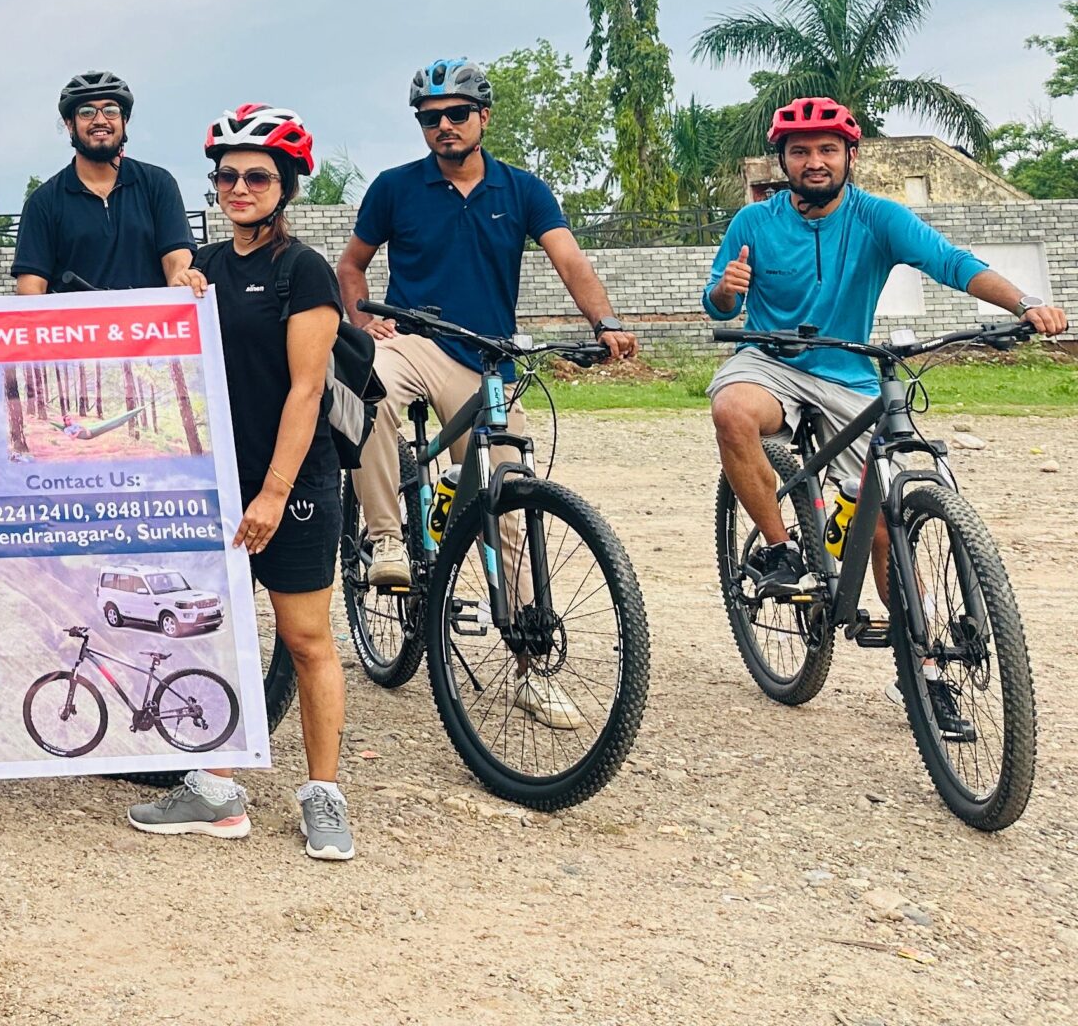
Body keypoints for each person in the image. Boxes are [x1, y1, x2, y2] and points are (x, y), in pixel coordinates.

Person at [708, 97, 1064, 726]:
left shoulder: (878, 218)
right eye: (799, 151)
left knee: (881, 521)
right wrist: (724, 293)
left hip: (848, 369)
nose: (813, 161)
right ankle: (781, 548)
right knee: (733, 409)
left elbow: (952, 263)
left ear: (851, 155)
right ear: (782, 161)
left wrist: (1023, 302)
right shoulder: (753, 224)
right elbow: (716, 304)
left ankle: (922, 672)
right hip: (771, 360)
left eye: (826, 150)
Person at [337, 58, 639, 659]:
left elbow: (570, 261)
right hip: (414, 341)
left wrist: (605, 323)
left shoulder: (522, 189)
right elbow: (351, 265)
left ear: (484, 117)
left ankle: (531, 655)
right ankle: (386, 538)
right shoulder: (395, 188)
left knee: (504, 502)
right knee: (365, 381)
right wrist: (365, 320)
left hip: (489, 359)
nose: (444, 126)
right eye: (430, 119)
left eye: (456, 114)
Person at [129, 106, 353, 862]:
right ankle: (216, 789)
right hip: (214, 485)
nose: (239, 187)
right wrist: (180, 283)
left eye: (257, 176)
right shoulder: (206, 269)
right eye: (226, 175)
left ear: (285, 186)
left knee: (307, 638)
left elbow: (306, 389)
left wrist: (274, 493)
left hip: (291, 485)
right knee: (214, 637)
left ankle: (323, 795)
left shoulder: (306, 270)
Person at [10, 72, 207, 299]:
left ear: (124, 120)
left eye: (111, 110)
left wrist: (182, 278)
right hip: (79, 331)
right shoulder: (43, 202)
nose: (100, 120)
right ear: (69, 124)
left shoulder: (158, 184)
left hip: (150, 330)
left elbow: (177, 261)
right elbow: (30, 290)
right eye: (87, 112)